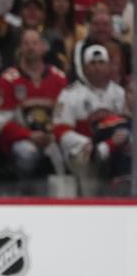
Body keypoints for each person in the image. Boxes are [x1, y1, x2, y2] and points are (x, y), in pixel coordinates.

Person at [0, 29, 67, 192]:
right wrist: (29, 135)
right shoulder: (8, 79)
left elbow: (66, 115)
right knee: (27, 154)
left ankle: (65, 197)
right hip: (23, 139)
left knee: (69, 149)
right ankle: (24, 194)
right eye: (26, 43)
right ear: (20, 48)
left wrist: (53, 134)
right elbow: (1, 122)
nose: (30, 47)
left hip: (53, 137)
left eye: (35, 43)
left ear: (43, 47)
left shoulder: (59, 78)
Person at [53, 44, 130, 196]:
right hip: (84, 149)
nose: (97, 67)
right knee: (87, 159)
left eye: (101, 63)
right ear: (84, 68)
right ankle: (90, 202)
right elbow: (60, 130)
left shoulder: (121, 93)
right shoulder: (70, 94)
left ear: (109, 66)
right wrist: (88, 144)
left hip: (116, 148)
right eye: (92, 63)